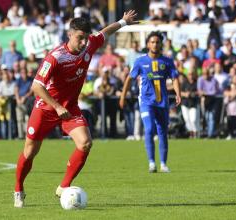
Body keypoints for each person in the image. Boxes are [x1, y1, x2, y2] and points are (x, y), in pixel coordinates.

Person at [14, 10, 138, 208]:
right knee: (30, 152)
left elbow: (105, 33)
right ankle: (19, 189)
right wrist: (55, 106)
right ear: (69, 34)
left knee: (85, 143)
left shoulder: (89, 46)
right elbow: (36, 86)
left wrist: (123, 22)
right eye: (80, 38)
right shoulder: (54, 57)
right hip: (46, 109)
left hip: (70, 108)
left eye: (86, 38)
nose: (83, 43)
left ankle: (63, 187)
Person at [119, 31, 181, 173]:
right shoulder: (140, 61)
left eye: (157, 42)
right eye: (152, 42)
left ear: (161, 44)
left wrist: (178, 93)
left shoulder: (167, 61)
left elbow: (175, 78)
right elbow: (129, 79)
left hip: (162, 102)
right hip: (146, 101)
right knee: (148, 129)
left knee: (162, 132)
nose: (155, 44)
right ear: (148, 44)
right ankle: (152, 163)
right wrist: (123, 96)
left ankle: (164, 164)